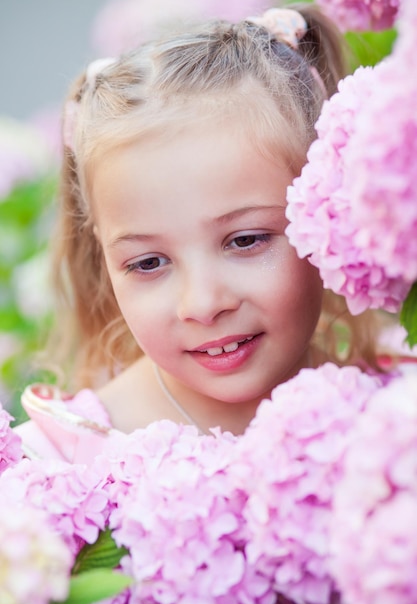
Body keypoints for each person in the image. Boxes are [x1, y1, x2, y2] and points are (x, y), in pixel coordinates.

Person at [17, 3, 381, 462]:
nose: (204, 305)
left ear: (325, 210)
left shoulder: (393, 418)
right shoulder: (57, 465)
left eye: (246, 240)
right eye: (148, 263)